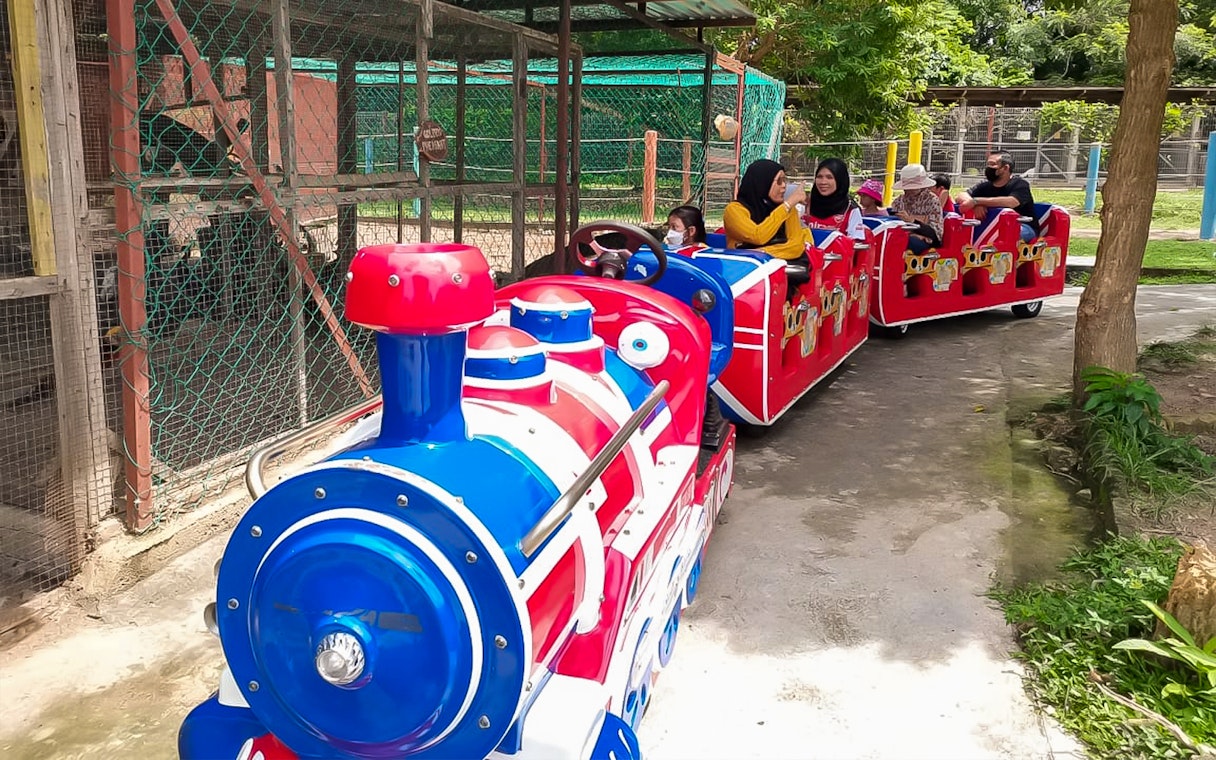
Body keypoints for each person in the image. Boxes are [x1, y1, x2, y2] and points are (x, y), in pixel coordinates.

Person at [722, 159, 809, 261]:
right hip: (743, 269)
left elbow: (796, 246)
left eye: (784, 181)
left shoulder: (787, 209)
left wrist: (762, 252)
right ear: (762, 182)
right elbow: (758, 236)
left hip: (778, 270)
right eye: (779, 181)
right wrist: (786, 206)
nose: (784, 186)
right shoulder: (734, 210)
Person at [954, 152, 1038, 242]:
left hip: (1023, 225)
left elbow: (1012, 202)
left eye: (992, 164)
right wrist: (974, 204)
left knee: (1005, 234)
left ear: (1005, 168)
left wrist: (976, 201)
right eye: (988, 164)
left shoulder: (1019, 184)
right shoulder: (984, 185)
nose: (988, 168)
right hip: (992, 225)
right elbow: (960, 196)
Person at [802, 158, 866, 241]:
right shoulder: (806, 205)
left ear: (840, 180)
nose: (823, 182)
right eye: (819, 177)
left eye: (829, 177)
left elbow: (856, 245)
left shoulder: (850, 210)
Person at [890, 164, 944, 253]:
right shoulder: (898, 201)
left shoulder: (932, 200)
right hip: (900, 236)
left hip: (925, 241)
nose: (908, 190)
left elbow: (935, 234)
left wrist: (912, 221)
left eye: (913, 188)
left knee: (904, 242)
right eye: (907, 188)